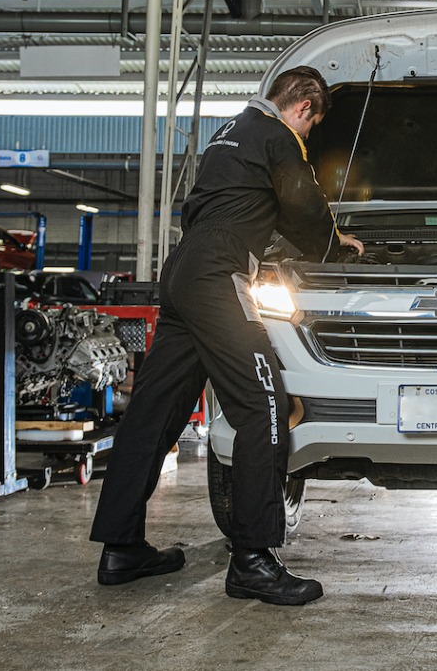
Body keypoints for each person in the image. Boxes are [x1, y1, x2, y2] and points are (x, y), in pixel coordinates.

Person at [90, 65, 363, 605]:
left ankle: (120, 547)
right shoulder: (278, 136)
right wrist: (335, 249)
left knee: (154, 412)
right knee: (264, 407)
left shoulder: (229, 132)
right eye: (311, 127)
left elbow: (242, 206)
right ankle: (253, 560)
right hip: (220, 276)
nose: (306, 136)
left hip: (185, 270)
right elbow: (304, 205)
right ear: (303, 108)